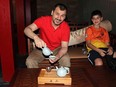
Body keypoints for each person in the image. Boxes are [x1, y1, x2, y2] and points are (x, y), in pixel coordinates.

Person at [24, 3, 70, 68]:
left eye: (62, 15)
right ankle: (36, 77)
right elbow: (26, 29)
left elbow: (64, 47)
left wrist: (58, 56)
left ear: (65, 17)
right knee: (30, 61)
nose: (59, 18)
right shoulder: (43, 20)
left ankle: (64, 77)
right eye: (57, 14)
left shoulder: (65, 27)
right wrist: (35, 37)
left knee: (66, 60)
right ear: (52, 12)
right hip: (42, 48)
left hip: (57, 49)